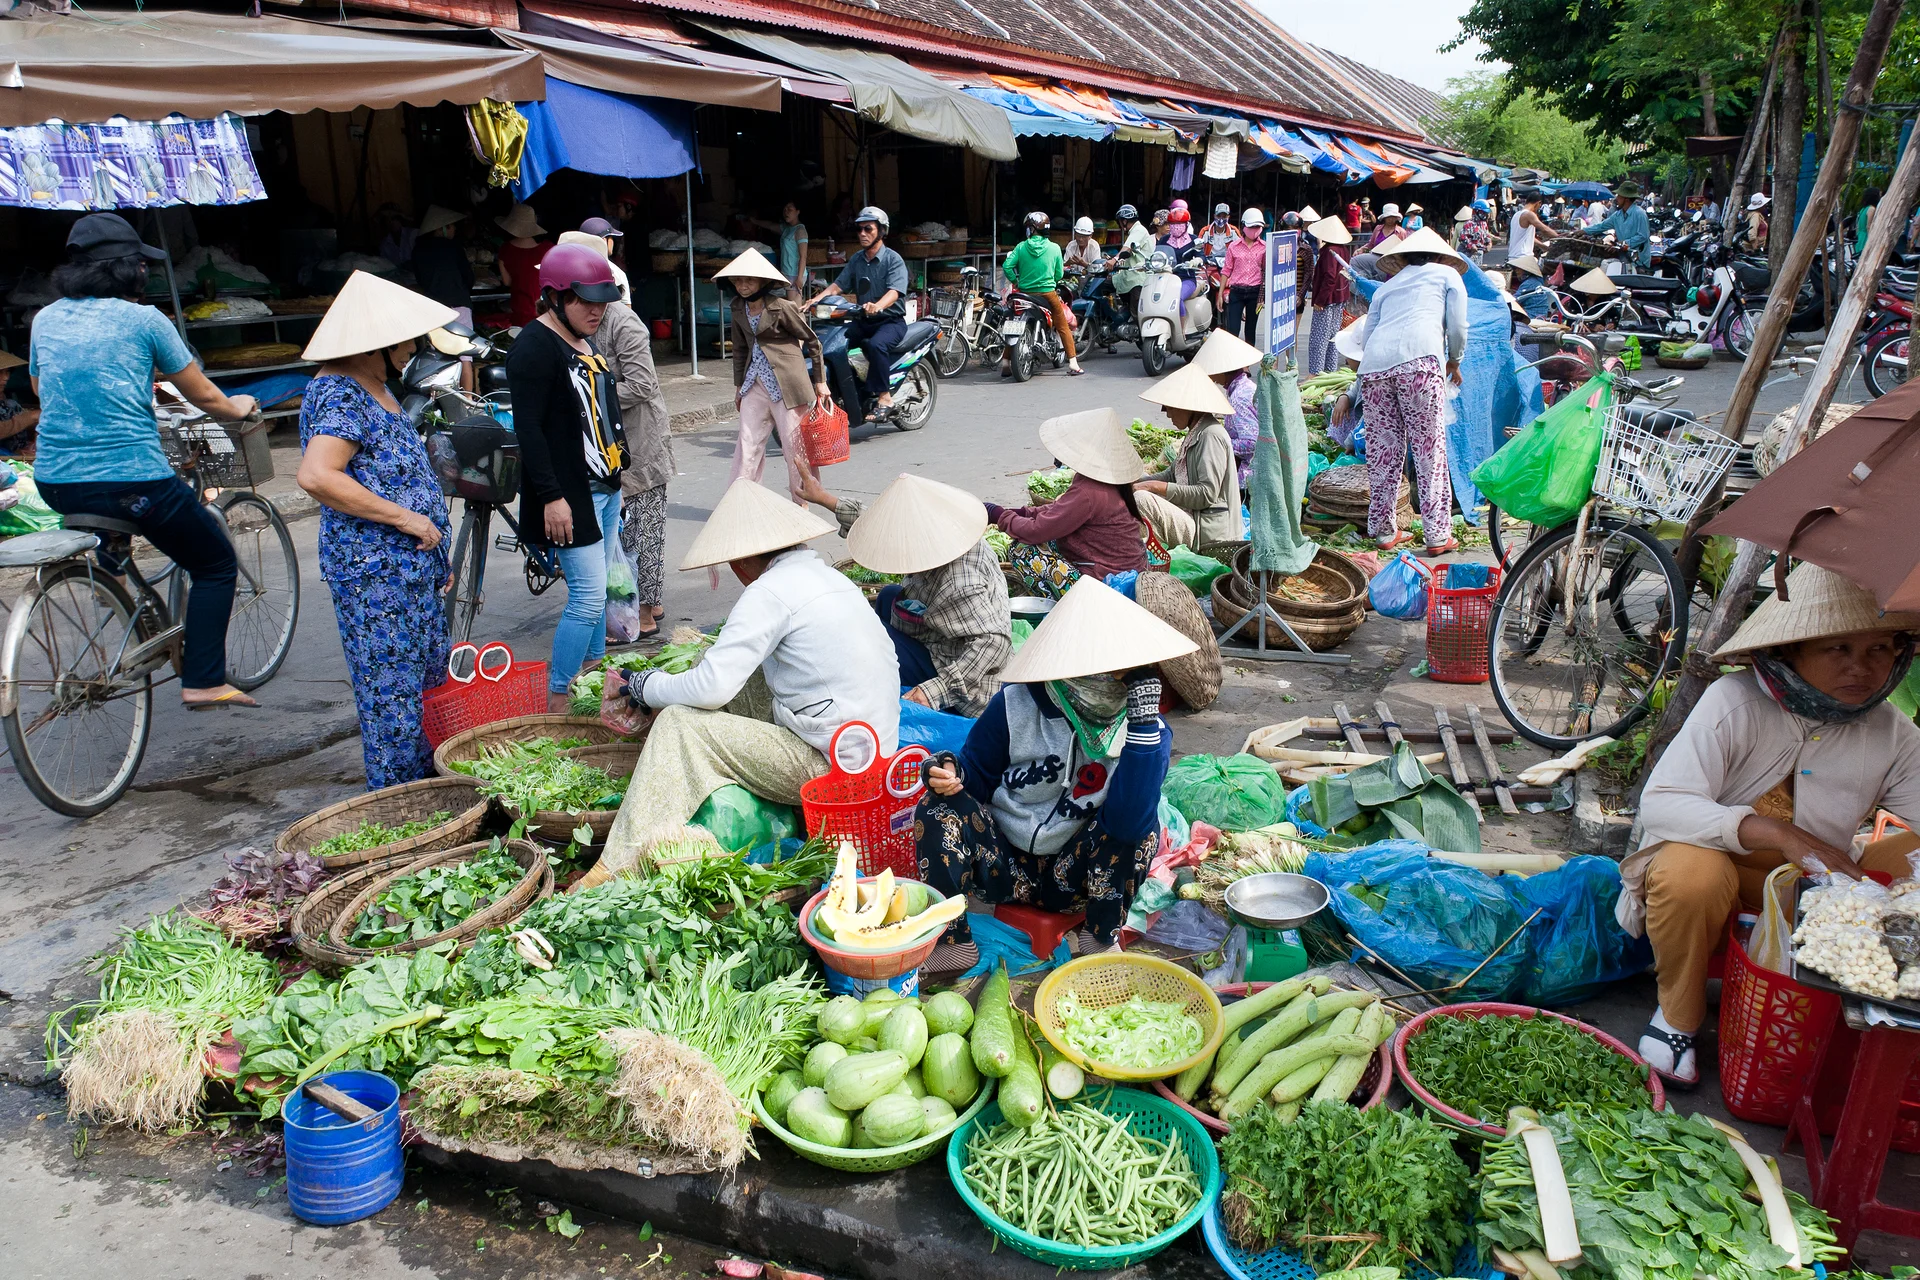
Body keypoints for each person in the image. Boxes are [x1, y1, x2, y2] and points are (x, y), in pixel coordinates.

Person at [1627, 563, 1920, 1086]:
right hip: (1715, 885)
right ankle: (1677, 1017)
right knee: (1690, 871)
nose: (1861, 668)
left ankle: (1876, 1002)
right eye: (1838, 648)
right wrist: (1778, 833)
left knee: (1910, 855)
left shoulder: (1891, 731)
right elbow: (1663, 805)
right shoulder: (1734, 701)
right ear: (1791, 651)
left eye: (1879, 648)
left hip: (1813, 893)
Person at [594, 479, 900, 878]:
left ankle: (616, 866)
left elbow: (712, 688)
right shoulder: (829, 578)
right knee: (716, 666)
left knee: (678, 724)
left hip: (838, 770)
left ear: (741, 563)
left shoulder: (769, 592)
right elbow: (718, 674)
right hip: (874, 751)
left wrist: (645, 686)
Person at [28, 213, 259, 710]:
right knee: (215, 563)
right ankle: (204, 681)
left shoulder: (45, 319)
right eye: (140, 263)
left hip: (55, 479)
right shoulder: (146, 320)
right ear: (127, 268)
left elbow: (43, 389)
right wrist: (239, 407)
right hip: (133, 479)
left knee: (114, 514)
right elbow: (205, 397)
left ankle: (112, 576)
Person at [914, 575, 1184, 974]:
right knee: (936, 807)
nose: (1107, 680)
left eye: (1119, 672)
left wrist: (1142, 727)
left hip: (1078, 878)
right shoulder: (1015, 705)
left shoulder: (1146, 731)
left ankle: (1098, 937)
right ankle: (954, 943)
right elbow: (976, 775)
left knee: (1142, 830)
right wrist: (949, 772)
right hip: (1003, 865)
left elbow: (1128, 824)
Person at [295, 274, 456, 786]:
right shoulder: (339, 392)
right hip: (377, 576)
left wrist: (437, 557)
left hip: (411, 570)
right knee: (392, 703)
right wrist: (406, 518)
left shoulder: (376, 385)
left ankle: (429, 794)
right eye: (406, 340)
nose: (413, 349)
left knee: (425, 691)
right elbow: (318, 475)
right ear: (374, 344)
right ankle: (399, 804)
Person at [506, 243, 630, 711]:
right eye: (585, 301)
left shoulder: (581, 338)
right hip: (569, 494)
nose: (597, 311)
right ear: (555, 297)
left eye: (602, 302)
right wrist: (551, 497)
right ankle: (558, 697)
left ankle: (594, 680)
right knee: (588, 596)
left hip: (604, 488)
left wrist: (616, 476)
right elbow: (529, 432)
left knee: (598, 594)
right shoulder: (534, 348)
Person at [803, 471, 1011, 716]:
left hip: (970, 681)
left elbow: (995, 642)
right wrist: (824, 498)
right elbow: (882, 529)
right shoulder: (954, 533)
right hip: (946, 637)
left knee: (871, 642)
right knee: (889, 596)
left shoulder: (959, 581)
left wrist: (936, 690)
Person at [569, 236, 673, 643]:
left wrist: (590, 398)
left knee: (642, 534)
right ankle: (639, 605)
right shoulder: (573, 326)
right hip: (603, 447)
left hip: (640, 443)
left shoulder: (623, 323)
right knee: (620, 535)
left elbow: (643, 385)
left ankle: (644, 615)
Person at [1354, 228, 1468, 555]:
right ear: (1439, 256)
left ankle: (1383, 531)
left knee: (1383, 452)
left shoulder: (1386, 288)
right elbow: (1458, 326)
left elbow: (1367, 338)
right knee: (1429, 449)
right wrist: (1455, 360)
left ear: (1403, 259)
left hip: (1375, 369)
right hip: (1419, 364)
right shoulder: (1446, 274)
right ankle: (1437, 535)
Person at [992, 408, 1148, 598]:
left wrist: (1001, 516)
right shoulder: (1108, 481)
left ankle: (1061, 604)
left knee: (1022, 550)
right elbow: (1061, 511)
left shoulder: (1089, 491)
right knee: (1048, 539)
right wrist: (1024, 513)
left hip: (1106, 586)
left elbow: (1037, 531)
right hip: (1124, 572)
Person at [720, 248, 829, 505]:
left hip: (786, 384)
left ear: (762, 282)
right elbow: (740, 349)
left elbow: (812, 341)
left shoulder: (782, 307)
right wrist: (738, 387)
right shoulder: (737, 308)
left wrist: (821, 382)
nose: (743, 286)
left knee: (794, 447)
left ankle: (803, 501)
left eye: (749, 280)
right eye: (738, 280)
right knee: (747, 444)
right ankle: (741, 503)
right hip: (754, 383)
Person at [805, 206, 909, 419]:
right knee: (833, 343)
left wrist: (878, 305)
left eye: (868, 229)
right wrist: (815, 299)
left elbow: (895, 291)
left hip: (890, 322)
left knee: (876, 345)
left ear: (881, 231)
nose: (862, 233)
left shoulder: (893, 259)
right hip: (864, 320)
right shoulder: (857, 259)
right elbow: (838, 285)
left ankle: (885, 397)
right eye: (859, 229)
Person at [1136, 362, 1241, 546]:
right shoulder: (1196, 432)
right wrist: (1136, 481)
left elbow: (1206, 494)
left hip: (1208, 532)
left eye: (1169, 407)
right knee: (1137, 490)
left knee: (1142, 500)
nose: (1167, 414)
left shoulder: (1210, 435)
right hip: (1192, 518)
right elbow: (1172, 474)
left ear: (1187, 407)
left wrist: (1153, 487)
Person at [1001, 212, 1083, 377]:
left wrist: (1016, 281)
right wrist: (1049, 280)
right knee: (1062, 325)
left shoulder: (1021, 247)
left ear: (1032, 229)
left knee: (1014, 321)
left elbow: (1007, 266)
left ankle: (1005, 363)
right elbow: (1059, 274)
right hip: (1047, 295)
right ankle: (1073, 363)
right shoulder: (1054, 248)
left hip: (1023, 294)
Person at [1190, 327, 1262, 489]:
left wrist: (1219, 443)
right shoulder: (1241, 387)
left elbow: (1252, 443)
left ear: (1223, 370)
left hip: (1251, 474)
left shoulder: (1239, 398)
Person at [1303, 215, 1354, 376]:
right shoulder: (1343, 250)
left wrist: (1320, 300)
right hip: (1340, 297)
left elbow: (1330, 277)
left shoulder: (1329, 251)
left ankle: (1315, 373)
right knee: (1332, 337)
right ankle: (1330, 370)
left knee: (1319, 339)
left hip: (1328, 300)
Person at [409, 206, 474, 320]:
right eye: (452, 226)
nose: (454, 229)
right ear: (441, 228)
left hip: (433, 306)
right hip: (458, 304)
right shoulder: (453, 247)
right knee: (463, 332)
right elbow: (468, 277)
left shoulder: (418, 250)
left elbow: (420, 279)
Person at [494, 203, 550, 327]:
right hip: (546, 311)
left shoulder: (505, 250)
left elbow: (507, 282)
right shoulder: (548, 249)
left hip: (520, 311)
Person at [1220, 208, 1267, 345]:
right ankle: (1233, 357)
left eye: (1257, 227)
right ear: (1244, 226)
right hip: (1237, 291)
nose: (1254, 230)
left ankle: (1248, 359)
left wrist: (1262, 297)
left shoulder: (1265, 247)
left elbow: (1266, 272)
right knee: (1233, 330)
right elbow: (1226, 270)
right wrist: (1221, 294)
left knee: (1250, 330)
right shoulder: (1233, 246)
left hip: (1255, 292)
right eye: (1251, 227)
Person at [1586, 180, 1652, 269]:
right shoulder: (1618, 215)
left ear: (1626, 199)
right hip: (1624, 257)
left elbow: (1643, 236)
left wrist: (1623, 243)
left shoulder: (1640, 214)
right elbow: (1601, 226)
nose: (1616, 199)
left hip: (1639, 261)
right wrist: (1583, 231)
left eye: (1619, 196)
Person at [1106, 204, 1155, 323]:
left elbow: (1127, 248)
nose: (1119, 224)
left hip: (1139, 276)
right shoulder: (1135, 231)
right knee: (1103, 284)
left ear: (1124, 221)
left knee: (1136, 312)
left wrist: (1114, 259)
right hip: (1129, 274)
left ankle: (1142, 331)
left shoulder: (1139, 230)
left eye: (1120, 221)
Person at [750, 201, 811, 293]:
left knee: (793, 302)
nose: (786, 212)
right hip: (787, 272)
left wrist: (799, 277)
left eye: (790, 209)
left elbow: (803, 256)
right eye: (785, 210)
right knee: (791, 301)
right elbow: (770, 225)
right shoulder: (787, 228)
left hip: (794, 273)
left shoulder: (800, 230)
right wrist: (755, 221)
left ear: (797, 212)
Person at [0, 350, 40, 460]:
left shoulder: (9, 404)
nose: (6, 377)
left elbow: (20, 423)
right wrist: (31, 416)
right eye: (0, 372)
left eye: (7, 372)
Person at [579, 217, 630, 300]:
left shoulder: (571, 264)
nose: (613, 242)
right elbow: (626, 307)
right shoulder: (617, 272)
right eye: (611, 238)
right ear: (603, 240)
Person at [1508, 189, 1553, 261]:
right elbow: (1545, 230)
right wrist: (1559, 237)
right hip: (1523, 257)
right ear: (1538, 203)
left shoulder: (1516, 215)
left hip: (1513, 257)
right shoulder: (1529, 214)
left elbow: (1529, 237)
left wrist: (1544, 247)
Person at [1507, 254, 1555, 320]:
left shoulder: (1530, 283)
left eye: (1518, 269)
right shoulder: (1534, 281)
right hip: (1539, 315)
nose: (1516, 271)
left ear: (1526, 271)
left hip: (1533, 316)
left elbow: (1514, 301)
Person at [377, 203, 418, 268]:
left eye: (393, 218)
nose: (391, 222)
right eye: (387, 219)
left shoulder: (413, 234)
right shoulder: (384, 244)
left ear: (400, 218)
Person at [1858, 187, 1883, 256]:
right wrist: (1872, 240)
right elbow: (1869, 226)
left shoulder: (1863, 209)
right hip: (1866, 237)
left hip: (1860, 236)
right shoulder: (1871, 209)